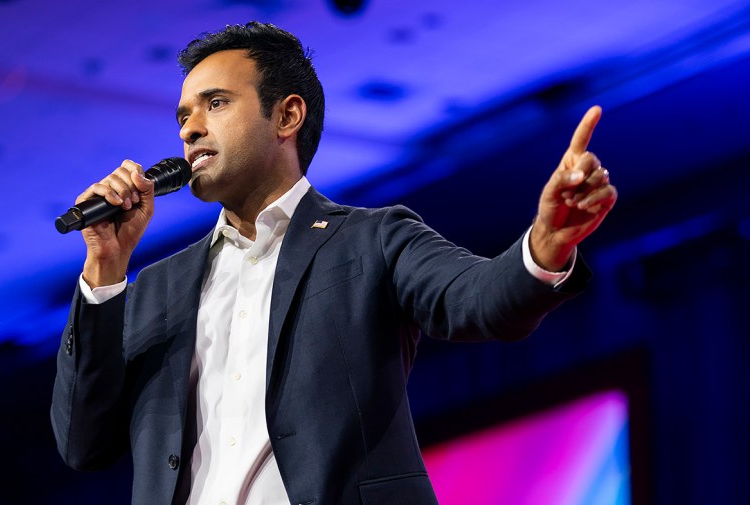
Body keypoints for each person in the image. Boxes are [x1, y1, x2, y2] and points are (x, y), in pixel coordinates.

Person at [51, 21, 617, 505]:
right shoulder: (156, 288)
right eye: (184, 114)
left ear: (287, 115)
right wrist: (104, 267)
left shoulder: (370, 240)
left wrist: (546, 241)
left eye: (215, 104)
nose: (189, 128)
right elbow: (84, 441)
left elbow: (478, 301)